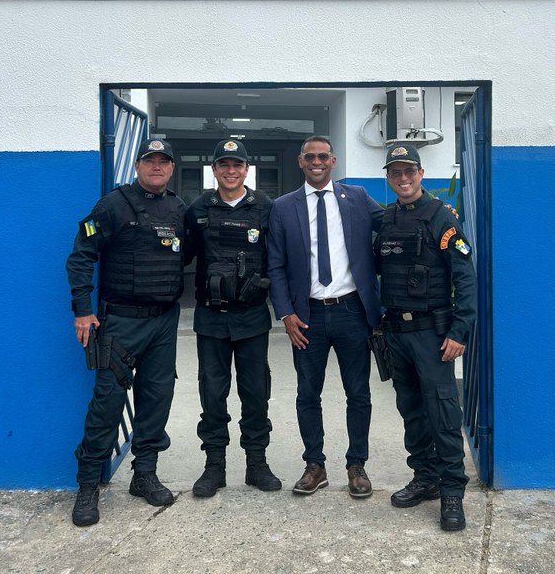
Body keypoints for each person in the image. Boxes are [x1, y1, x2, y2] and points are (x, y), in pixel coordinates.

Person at [66, 138, 186, 527]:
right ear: (137, 166)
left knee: (157, 397)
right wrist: (82, 310)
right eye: (149, 160)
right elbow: (81, 255)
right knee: (108, 400)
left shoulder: (179, 209)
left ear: (171, 168)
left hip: (164, 321)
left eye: (163, 161)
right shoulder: (112, 205)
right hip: (120, 321)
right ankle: (87, 485)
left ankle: (144, 473)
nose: (156, 166)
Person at [267, 135, 383, 498]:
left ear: (333, 161)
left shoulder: (358, 198)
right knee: (307, 393)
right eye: (309, 157)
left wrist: (439, 209)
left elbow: (397, 220)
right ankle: (314, 465)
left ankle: (356, 465)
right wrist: (285, 312)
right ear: (300, 162)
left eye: (323, 156)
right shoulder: (283, 207)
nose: (316, 162)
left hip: (352, 311)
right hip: (307, 317)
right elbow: (275, 264)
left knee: (358, 393)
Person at [375, 143, 477, 532]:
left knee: (443, 413)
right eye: (395, 173)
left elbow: (464, 278)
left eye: (409, 171)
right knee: (411, 410)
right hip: (396, 334)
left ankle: (452, 491)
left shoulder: (441, 217)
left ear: (420, 174)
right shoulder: (385, 219)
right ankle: (425, 476)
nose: (402, 179)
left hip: (433, 335)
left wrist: (459, 331)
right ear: (388, 177)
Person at [184, 139, 281, 498]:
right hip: (211, 318)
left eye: (237, 165)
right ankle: (214, 466)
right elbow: (180, 255)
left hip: (252, 317)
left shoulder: (265, 207)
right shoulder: (197, 208)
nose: (230, 171)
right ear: (214, 170)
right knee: (212, 392)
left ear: (246, 169)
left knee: (256, 392)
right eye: (223, 165)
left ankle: (257, 463)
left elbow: (279, 258)